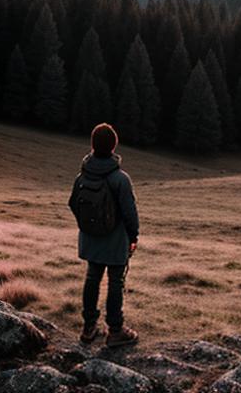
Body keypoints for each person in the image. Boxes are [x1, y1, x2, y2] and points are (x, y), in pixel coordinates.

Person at [69, 123, 140, 346]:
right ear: (113, 146)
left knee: (92, 279)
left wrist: (89, 226)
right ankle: (115, 331)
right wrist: (134, 237)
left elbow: (73, 203)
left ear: (93, 145)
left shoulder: (82, 175)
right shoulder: (120, 178)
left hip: (91, 239)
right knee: (115, 282)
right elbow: (130, 213)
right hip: (115, 240)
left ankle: (89, 327)